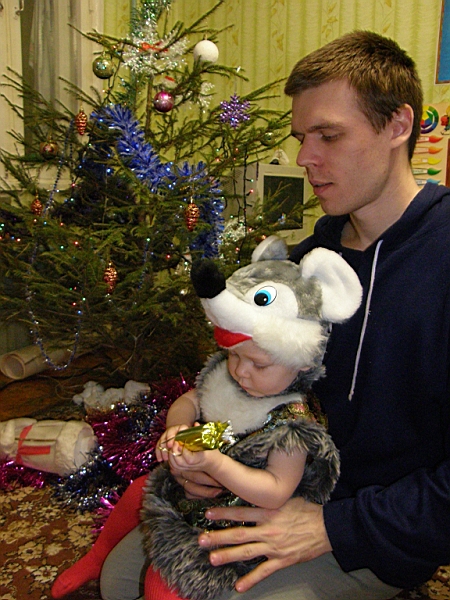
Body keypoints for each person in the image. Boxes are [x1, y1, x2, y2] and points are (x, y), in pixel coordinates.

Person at [187, 30, 450, 600]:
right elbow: (251, 383)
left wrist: (332, 527)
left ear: (398, 126)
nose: (305, 158)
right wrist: (199, 450)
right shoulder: (306, 263)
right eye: (301, 138)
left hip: (379, 531)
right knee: (124, 575)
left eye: (328, 135)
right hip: (279, 487)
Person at [52, 237, 362, 600]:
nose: (241, 371)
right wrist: (178, 429)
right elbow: (189, 401)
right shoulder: (230, 378)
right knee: (138, 491)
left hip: (240, 515)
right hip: (200, 479)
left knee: (164, 583)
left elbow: (276, 490)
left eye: (259, 364)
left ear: (303, 362)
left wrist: (216, 464)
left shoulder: (292, 423)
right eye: (234, 356)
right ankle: (97, 556)